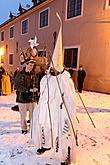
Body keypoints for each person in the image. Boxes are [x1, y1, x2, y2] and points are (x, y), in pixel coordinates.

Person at [31, 13, 77, 164]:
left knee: (62, 133)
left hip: (59, 110)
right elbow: (43, 88)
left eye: (54, 69)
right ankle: (45, 145)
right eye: (51, 69)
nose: (52, 71)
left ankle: (65, 155)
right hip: (46, 108)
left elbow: (69, 96)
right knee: (45, 126)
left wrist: (64, 105)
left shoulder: (65, 79)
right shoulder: (47, 77)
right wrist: (46, 77)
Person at [14, 60, 38, 134]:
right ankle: (24, 129)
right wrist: (28, 90)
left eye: (32, 66)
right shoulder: (20, 74)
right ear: (26, 65)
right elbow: (17, 86)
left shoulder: (33, 74)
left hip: (32, 99)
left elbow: (36, 83)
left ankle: (32, 128)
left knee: (33, 115)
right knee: (23, 116)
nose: (31, 67)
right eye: (30, 65)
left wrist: (36, 88)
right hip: (22, 99)